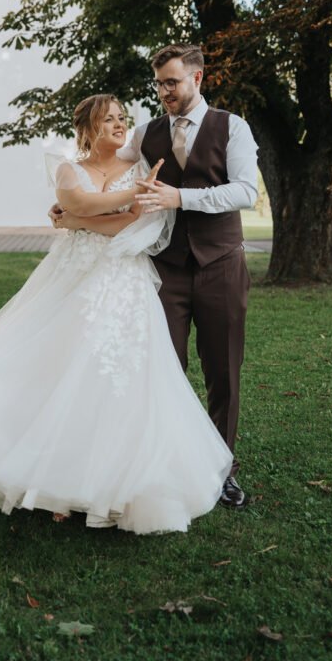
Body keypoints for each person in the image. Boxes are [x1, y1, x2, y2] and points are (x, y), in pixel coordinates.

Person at [0, 93, 233, 534]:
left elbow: (132, 221)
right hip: (74, 277)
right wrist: (100, 206)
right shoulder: (67, 169)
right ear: (88, 128)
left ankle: (113, 485)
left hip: (123, 281)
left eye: (122, 117)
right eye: (109, 119)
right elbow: (77, 202)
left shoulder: (138, 167)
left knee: (119, 379)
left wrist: (83, 219)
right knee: (59, 369)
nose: (120, 124)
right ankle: (53, 482)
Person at [129, 44, 258, 508]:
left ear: (197, 78)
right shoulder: (144, 133)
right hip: (166, 268)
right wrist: (71, 199)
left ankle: (222, 469)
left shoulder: (232, 127)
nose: (164, 91)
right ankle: (170, 464)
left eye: (172, 82)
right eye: (159, 83)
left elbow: (246, 192)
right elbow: (104, 165)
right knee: (165, 368)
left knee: (223, 371)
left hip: (221, 264)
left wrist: (181, 198)